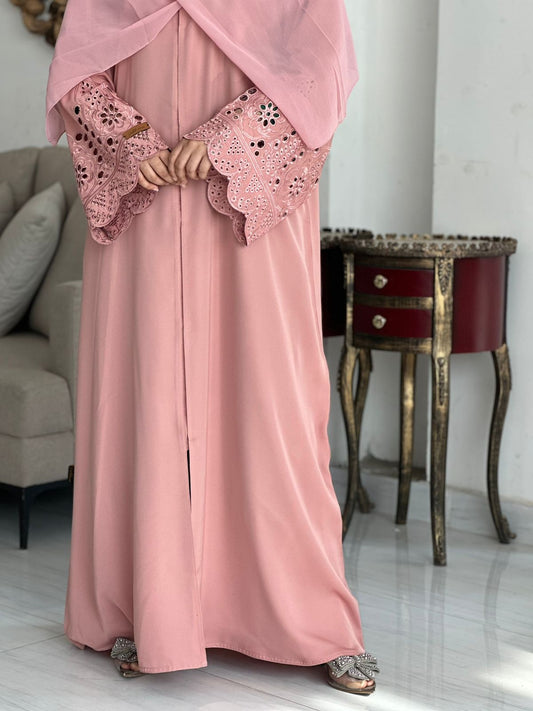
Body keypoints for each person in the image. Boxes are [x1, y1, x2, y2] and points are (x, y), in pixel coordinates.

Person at [45, 0, 379, 696]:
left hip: (245, 205)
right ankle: (140, 609)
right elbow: (77, 72)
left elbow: (321, 69)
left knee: (272, 408)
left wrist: (230, 138)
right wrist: (130, 138)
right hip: (145, 200)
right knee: (141, 400)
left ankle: (313, 620)